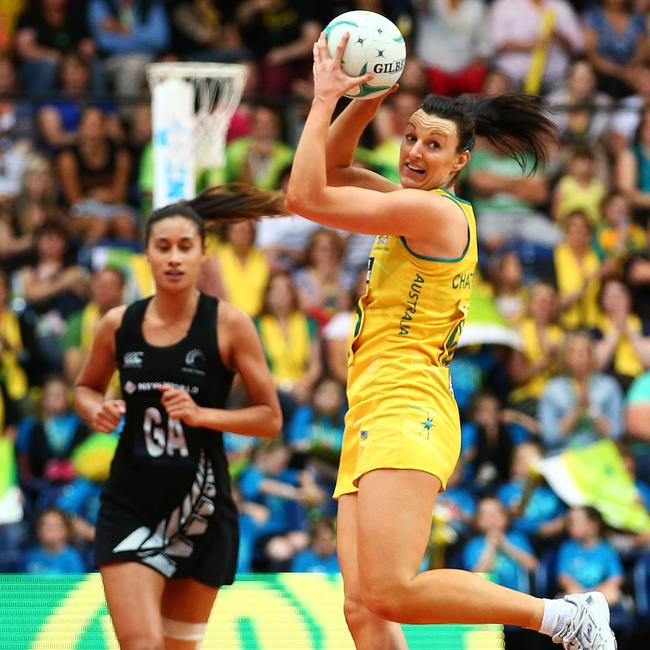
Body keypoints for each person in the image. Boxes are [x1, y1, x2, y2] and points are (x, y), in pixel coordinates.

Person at [284, 30, 616, 650]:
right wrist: (367, 96)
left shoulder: (433, 213)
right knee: (363, 610)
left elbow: (304, 195)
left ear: (460, 161)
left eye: (433, 145)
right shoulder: (414, 201)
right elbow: (329, 168)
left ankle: (564, 617)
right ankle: (562, 617)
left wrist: (325, 97)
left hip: (407, 405)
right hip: (374, 406)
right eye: (410, 136)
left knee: (392, 592)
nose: (413, 151)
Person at [73, 185, 284, 650]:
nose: (173, 258)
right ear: (145, 253)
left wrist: (203, 414)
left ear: (203, 254)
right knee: (143, 644)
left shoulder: (230, 324)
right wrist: (97, 409)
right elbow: (85, 389)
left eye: (185, 247)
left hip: (202, 505)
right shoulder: (116, 324)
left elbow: (270, 419)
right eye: (162, 247)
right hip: (130, 502)